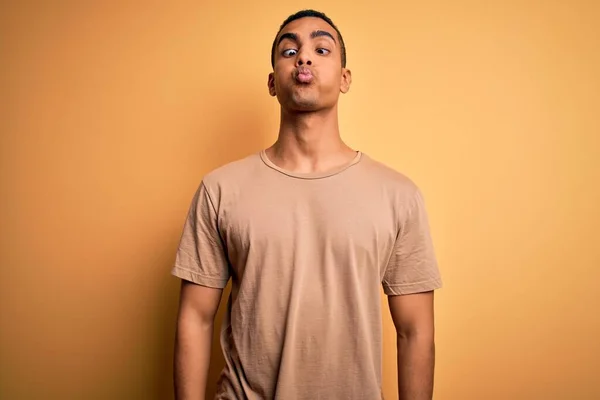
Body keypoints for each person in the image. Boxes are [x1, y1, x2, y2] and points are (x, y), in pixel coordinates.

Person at [172, 9, 442, 400]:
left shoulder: (398, 195)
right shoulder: (220, 190)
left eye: (321, 48)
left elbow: (415, 332)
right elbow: (195, 319)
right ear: (272, 82)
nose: (304, 57)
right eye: (289, 51)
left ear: (345, 78)